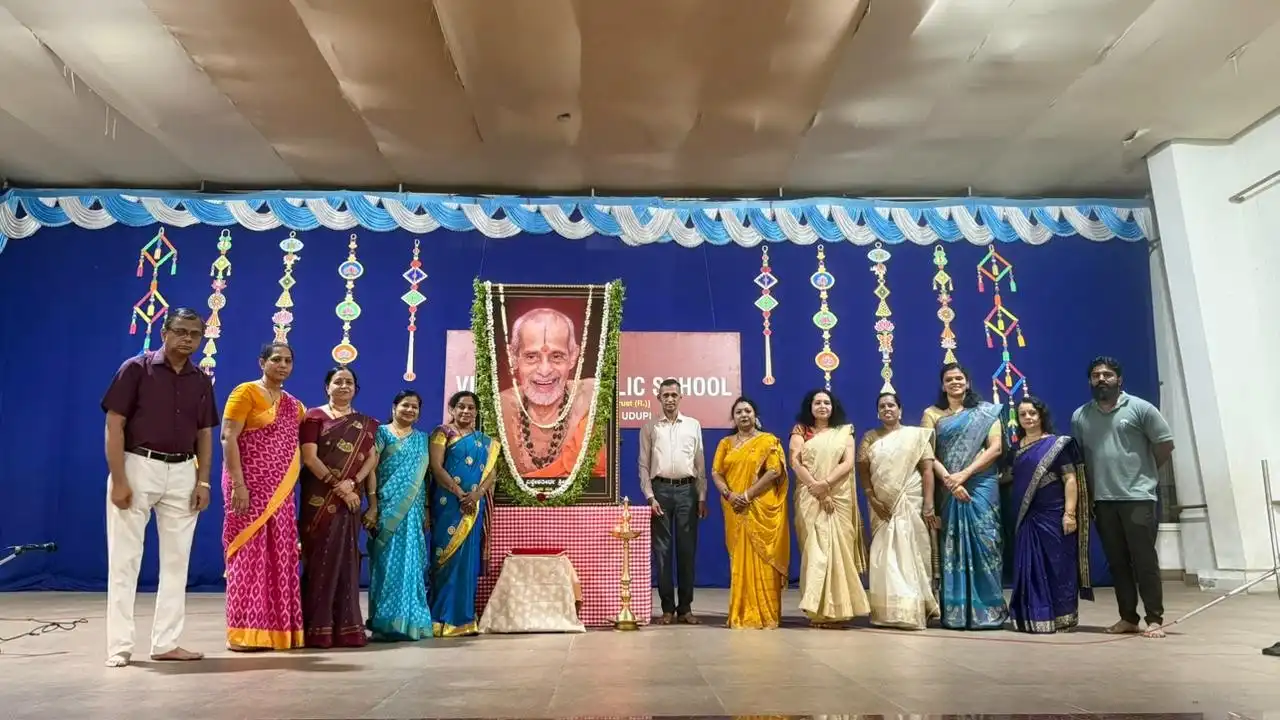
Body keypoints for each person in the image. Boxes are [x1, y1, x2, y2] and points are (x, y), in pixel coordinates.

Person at [100, 308, 215, 667]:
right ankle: (119, 646)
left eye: (194, 334)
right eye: (180, 331)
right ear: (164, 332)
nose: (187, 339)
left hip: (183, 470)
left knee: (177, 561)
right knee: (125, 560)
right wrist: (119, 479)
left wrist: (204, 480)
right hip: (138, 465)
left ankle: (166, 642)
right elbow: (114, 425)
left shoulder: (200, 380)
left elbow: (204, 433)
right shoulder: (136, 368)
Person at [1071, 356, 1174, 638]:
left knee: (1144, 561)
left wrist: (1144, 476)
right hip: (1102, 501)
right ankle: (1128, 618)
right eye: (1095, 375)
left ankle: (1155, 619)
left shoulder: (1141, 409)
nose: (1101, 379)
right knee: (1117, 562)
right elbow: (1080, 457)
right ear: (1090, 381)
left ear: (1119, 379)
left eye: (1107, 374)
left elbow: (1165, 446)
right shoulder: (1081, 416)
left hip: (1138, 498)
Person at [220, 342, 306, 651]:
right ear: (262, 362)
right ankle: (243, 632)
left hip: (281, 493)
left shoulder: (295, 406)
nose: (282, 365)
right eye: (276, 359)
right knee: (248, 554)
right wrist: (238, 486)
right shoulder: (245, 393)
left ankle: (278, 631)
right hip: (247, 487)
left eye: (288, 360)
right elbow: (228, 437)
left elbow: (292, 449)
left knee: (280, 556)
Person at [922, 362, 1008, 630]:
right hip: (948, 487)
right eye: (949, 379)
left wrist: (964, 475)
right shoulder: (932, 414)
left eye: (959, 378)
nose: (955, 382)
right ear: (942, 385)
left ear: (967, 382)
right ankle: (957, 613)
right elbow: (928, 453)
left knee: (986, 542)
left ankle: (989, 611)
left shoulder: (985, 412)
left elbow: (995, 449)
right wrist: (950, 480)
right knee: (954, 545)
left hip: (981, 485)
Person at [298, 367, 377, 649]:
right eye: (338, 382)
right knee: (319, 559)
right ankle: (316, 628)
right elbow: (309, 457)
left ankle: (347, 628)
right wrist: (337, 485)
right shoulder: (313, 417)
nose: (344, 386)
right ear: (326, 386)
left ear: (356, 388)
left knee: (347, 561)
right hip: (319, 500)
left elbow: (372, 458)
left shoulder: (366, 424)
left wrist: (352, 483)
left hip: (350, 500)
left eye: (349, 382)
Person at [857, 388, 940, 630]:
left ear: (900, 410)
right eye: (882, 406)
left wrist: (928, 503)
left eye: (891, 405)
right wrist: (872, 498)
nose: (887, 409)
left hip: (909, 499)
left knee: (911, 550)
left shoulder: (916, 437)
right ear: (877, 412)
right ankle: (888, 611)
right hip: (881, 505)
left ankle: (914, 608)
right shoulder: (870, 437)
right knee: (886, 554)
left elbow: (927, 470)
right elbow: (863, 469)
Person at [1009, 396, 1093, 634]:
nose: (1028, 418)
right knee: (1030, 566)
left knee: (1058, 566)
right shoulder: (1016, 450)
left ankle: (1062, 617)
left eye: (1032, 413)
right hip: (1028, 517)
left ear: (1041, 415)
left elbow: (1069, 479)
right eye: (1023, 414)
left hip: (1054, 515)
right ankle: (1033, 616)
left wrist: (1069, 514)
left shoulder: (1056, 445)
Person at [790, 388, 870, 628]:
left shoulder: (844, 432)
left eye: (826, 402)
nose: (822, 406)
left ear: (833, 407)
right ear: (810, 407)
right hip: (808, 496)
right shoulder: (800, 431)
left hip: (837, 498)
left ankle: (839, 612)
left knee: (838, 553)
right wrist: (815, 487)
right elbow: (795, 461)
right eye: (817, 403)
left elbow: (847, 463)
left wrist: (825, 485)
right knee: (815, 553)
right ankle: (818, 611)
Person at [498, 307, 607, 478]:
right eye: (531, 356)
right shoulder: (500, 407)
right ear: (513, 357)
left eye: (557, 356)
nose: (544, 370)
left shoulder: (592, 396)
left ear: (573, 356)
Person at [710, 397, 789, 629]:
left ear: (755, 415)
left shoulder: (768, 441)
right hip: (734, 508)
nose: (743, 415)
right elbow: (716, 472)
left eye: (748, 411)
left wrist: (747, 495)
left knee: (762, 559)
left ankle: (766, 615)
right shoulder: (726, 443)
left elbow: (774, 472)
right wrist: (729, 494)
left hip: (759, 508)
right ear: (733, 418)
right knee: (739, 560)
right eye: (738, 412)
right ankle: (742, 613)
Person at [429, 391, 499, 637]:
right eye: (461, 407)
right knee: (444, 558)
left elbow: (492, 473)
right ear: (452, 409)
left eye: (470, 408)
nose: (466, 412)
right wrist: (460, 494)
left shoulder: (485, 441)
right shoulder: (442, 433)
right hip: (449, 505)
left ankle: (463, 619)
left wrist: (477, 495)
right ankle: (439, 618)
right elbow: (436, 467)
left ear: (476, 412)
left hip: (473, 508)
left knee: (466, 561)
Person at [366, 390, 434, 641]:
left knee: (413, 564)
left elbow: (424, 479)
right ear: (394, 407)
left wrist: (426, 509)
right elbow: (371, 470)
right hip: (386, 507)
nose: (410, 410)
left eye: (415, 407)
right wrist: (372, 505)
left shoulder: (423, 439)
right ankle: (385, 623)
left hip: (413, 511)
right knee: (386, 565)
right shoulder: (381, 433)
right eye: (405, 405)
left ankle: (411, 622)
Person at [638, 379, 707, 625]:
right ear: (658, 397)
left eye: (674, 395)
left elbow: (700, 465)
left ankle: (685, 608)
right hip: (661, 492)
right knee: (663, 553)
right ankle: (667, 608)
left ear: (681, 397)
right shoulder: (649, 427)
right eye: (665, 395)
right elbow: (644, 465)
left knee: (687, 552)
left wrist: (701, 496)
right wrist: (650, 496)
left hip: (687, 491)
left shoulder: (693, 425)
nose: (669, 399)